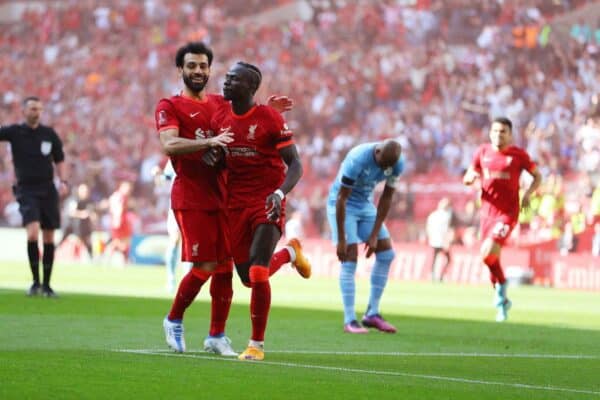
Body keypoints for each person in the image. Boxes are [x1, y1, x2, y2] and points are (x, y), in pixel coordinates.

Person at [156, 42, 297, 358]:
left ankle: (216, 335)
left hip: (228, 195)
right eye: (191, 66)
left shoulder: (220, 103)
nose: (198, 71)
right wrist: (208, 142)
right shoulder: (170, 105)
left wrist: (268, 110)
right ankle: (174, 318)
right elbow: (168, 144)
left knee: (225, 268)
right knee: (205, 265)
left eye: (203, 66)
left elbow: (247, 114)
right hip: (193, 196)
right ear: (181, 70)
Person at [208, 61, 311, 361]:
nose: (226, 83)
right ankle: (291, 252)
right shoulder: (220, 117)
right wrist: (214, 158)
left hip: (267, 200)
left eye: (234, 80)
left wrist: (279, 193)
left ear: (251, 88)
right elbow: (223, 161)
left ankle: (256, 345)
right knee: (248, 279)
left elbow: (295, 164)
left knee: (257, 270)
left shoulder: (269, 118)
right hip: (235, 205)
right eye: (226, 78)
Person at [463, 116, 541, 322]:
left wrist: (527, 194)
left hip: (507, 213)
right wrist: (469, 178)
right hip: (487, 213)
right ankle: (502, 296)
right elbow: (470, 172)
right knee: (488, 258)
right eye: (495, 131)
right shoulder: (482, 152)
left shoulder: (518, 155)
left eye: (503, 131)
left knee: (488, 252)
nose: (499, 135)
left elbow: (537, 176)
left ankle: (500, 295)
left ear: (510, 134)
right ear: (490, 133)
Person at [326, 139, 403, 334]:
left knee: (386, 254)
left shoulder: (397, 163)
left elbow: (387, 196)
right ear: (377, 152)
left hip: (365, 206)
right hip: (343, 205)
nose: (385, 169)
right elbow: (342, 198)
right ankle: (349, 320)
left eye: (388, 166)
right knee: (350, 258)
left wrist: (375, 234)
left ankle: (372, 313)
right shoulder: (357, 158)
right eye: (382, 164)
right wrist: (342, 239)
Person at [0, 96, 68, 297]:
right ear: (23, 111)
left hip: (48, 189)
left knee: (48, 236)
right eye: (31, 108)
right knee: (32, 232)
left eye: (38, 108)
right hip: (26, 189)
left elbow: (60, 159)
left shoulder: (49, 134)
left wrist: (63, 181)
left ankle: (46, 285)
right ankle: (35, 281)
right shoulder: (15, 132)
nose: (35, 112)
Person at [58, 183, 96, 258]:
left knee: (87, 242)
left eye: (86, 191)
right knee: (61, 241)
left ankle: (92, 259)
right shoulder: (74, 200)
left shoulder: (88, 201)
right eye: (83, 191)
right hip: (71, 225)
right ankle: (50, 254)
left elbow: (92, 212)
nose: (85, 193)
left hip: (82, 226)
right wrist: (82, 214)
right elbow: (71, 212)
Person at [425, 197, 455, 281]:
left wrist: (430, 237)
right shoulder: (446, 216)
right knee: (447, 259)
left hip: (434, 241)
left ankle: (434, 275)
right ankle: (439, 275)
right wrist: (447, 241)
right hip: (441, 241)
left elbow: (428, 228)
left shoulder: (433, 215)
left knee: (434, 259)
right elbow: (446, 230)